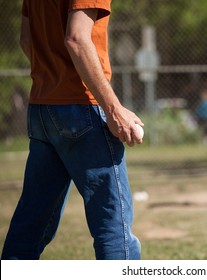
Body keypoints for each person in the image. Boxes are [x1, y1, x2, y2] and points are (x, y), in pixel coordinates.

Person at [1, 0, 143, 260]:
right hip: (81, 109)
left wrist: (53, 75)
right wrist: (113, 109)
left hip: (42, 108)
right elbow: (77, 38)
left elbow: (25, 38)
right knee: (113, 226)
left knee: (30, 225)